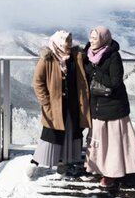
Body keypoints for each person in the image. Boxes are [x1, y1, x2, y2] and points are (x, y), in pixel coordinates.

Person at [84, 26, 135, 188]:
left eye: (94, 38)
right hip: (96, 105)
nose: (91, 40)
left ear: (104, 39)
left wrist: (95, 72)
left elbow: (115, 82)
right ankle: (100, 167)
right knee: (99, 141)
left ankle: (111, 173)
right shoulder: (88, 54)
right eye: (90, 37)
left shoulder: (113, 56)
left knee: (114, 142)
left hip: (112, 107)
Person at [26, 30, 91, 178]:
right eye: (66, 41)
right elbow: (38, 82)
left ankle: (63, 161)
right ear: (59, 42)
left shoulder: (76, 57)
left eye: (70, 40)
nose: (69, 44)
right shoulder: (47, 58)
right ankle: (35, 162)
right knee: (50, 134)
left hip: (74, 104)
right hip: (54, 106)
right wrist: (46, 102)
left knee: (71, 131)